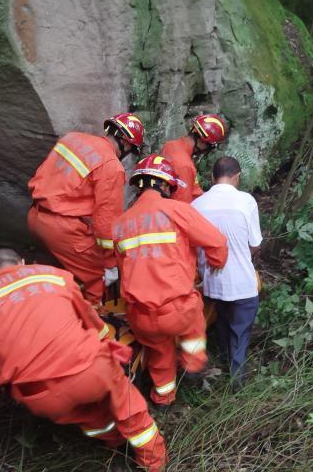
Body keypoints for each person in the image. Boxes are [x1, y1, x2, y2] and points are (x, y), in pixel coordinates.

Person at [0, 246, 166, 472]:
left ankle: (113, 439)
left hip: (42, 397)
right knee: (128, 406)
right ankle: (154, 464)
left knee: (89, 415)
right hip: (92, 370)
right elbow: (91, 320)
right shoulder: (52, 275)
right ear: (23, 262)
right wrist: (110, 345)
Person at [112, 155, 228, 406]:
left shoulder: (120, 225)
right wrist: (216, 265)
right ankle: (193, 366)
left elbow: (124, 269)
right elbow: (217, 242)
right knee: (194, 325)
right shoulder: (177, 210)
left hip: (141, 315)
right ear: (165, 186)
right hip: (177, 309)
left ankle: (163, 397)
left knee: (159, 353)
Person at [27, 113, 145, 305]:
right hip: (62, 230)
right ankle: (94, 321)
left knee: (71, 265)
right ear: (125, 141)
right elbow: (106, 223)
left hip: (35, 214)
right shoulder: (111, 167)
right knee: (96, 277)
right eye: (132, 149)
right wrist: (109, 265)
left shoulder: (71, 139)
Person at [192, 157, 262, 385]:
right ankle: (237, 380)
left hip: (212, 284)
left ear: (212, 178)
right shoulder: (246, 201)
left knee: (221, 322)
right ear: (237, 176)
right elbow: (255, 243)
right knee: (240, 333)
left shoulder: (196, 205)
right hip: (242, 283)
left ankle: (223, 360)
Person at [160, 114, 227, 204]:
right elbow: (183, 206)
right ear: (202, 142)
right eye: (210, 147)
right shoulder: (185, 166)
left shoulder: (170, 145)